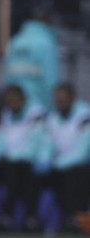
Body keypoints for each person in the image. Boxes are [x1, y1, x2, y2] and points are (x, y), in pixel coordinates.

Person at [0, 85, 47, 231]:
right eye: (8, 101)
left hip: (30, 162)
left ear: (23, 99)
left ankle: (29, 217)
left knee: (26, 174)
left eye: (14, 100)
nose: (11, 103)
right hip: (9, 163)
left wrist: (12, 156)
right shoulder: (4, 115)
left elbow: (35, 143)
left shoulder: (36, 114)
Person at [40, 83, 90, 231]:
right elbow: (47, 144)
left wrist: (57, 163)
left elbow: (82, 153)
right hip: (59, 165)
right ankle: (30, 219)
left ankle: (76, 218)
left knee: (75, 175)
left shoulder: (85, 117)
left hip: (82, 166)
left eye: (63, 100)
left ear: (72, 99)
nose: (60, 104)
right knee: (31, 173)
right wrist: (44, 159)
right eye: (57, 101)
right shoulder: (52, 117)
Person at [4, 1, 60, 110]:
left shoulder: (15, 42)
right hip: (39, 109)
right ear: (46, 18)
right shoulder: (46, 43)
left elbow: (8, 78)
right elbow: (51, 81)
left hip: (17, 110)